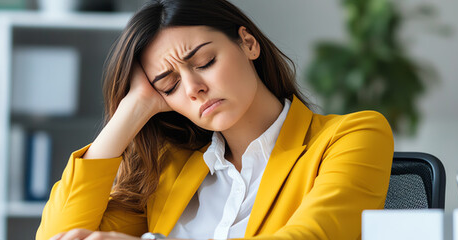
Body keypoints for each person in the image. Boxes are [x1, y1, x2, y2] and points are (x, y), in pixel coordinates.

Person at [35, 0, 393, 239]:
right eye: (170, 84)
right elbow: (62, 234)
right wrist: (133, 109)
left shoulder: (353, 136)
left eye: (205, 62)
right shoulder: (169, 170)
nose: (194, 88)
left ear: (248, 43)